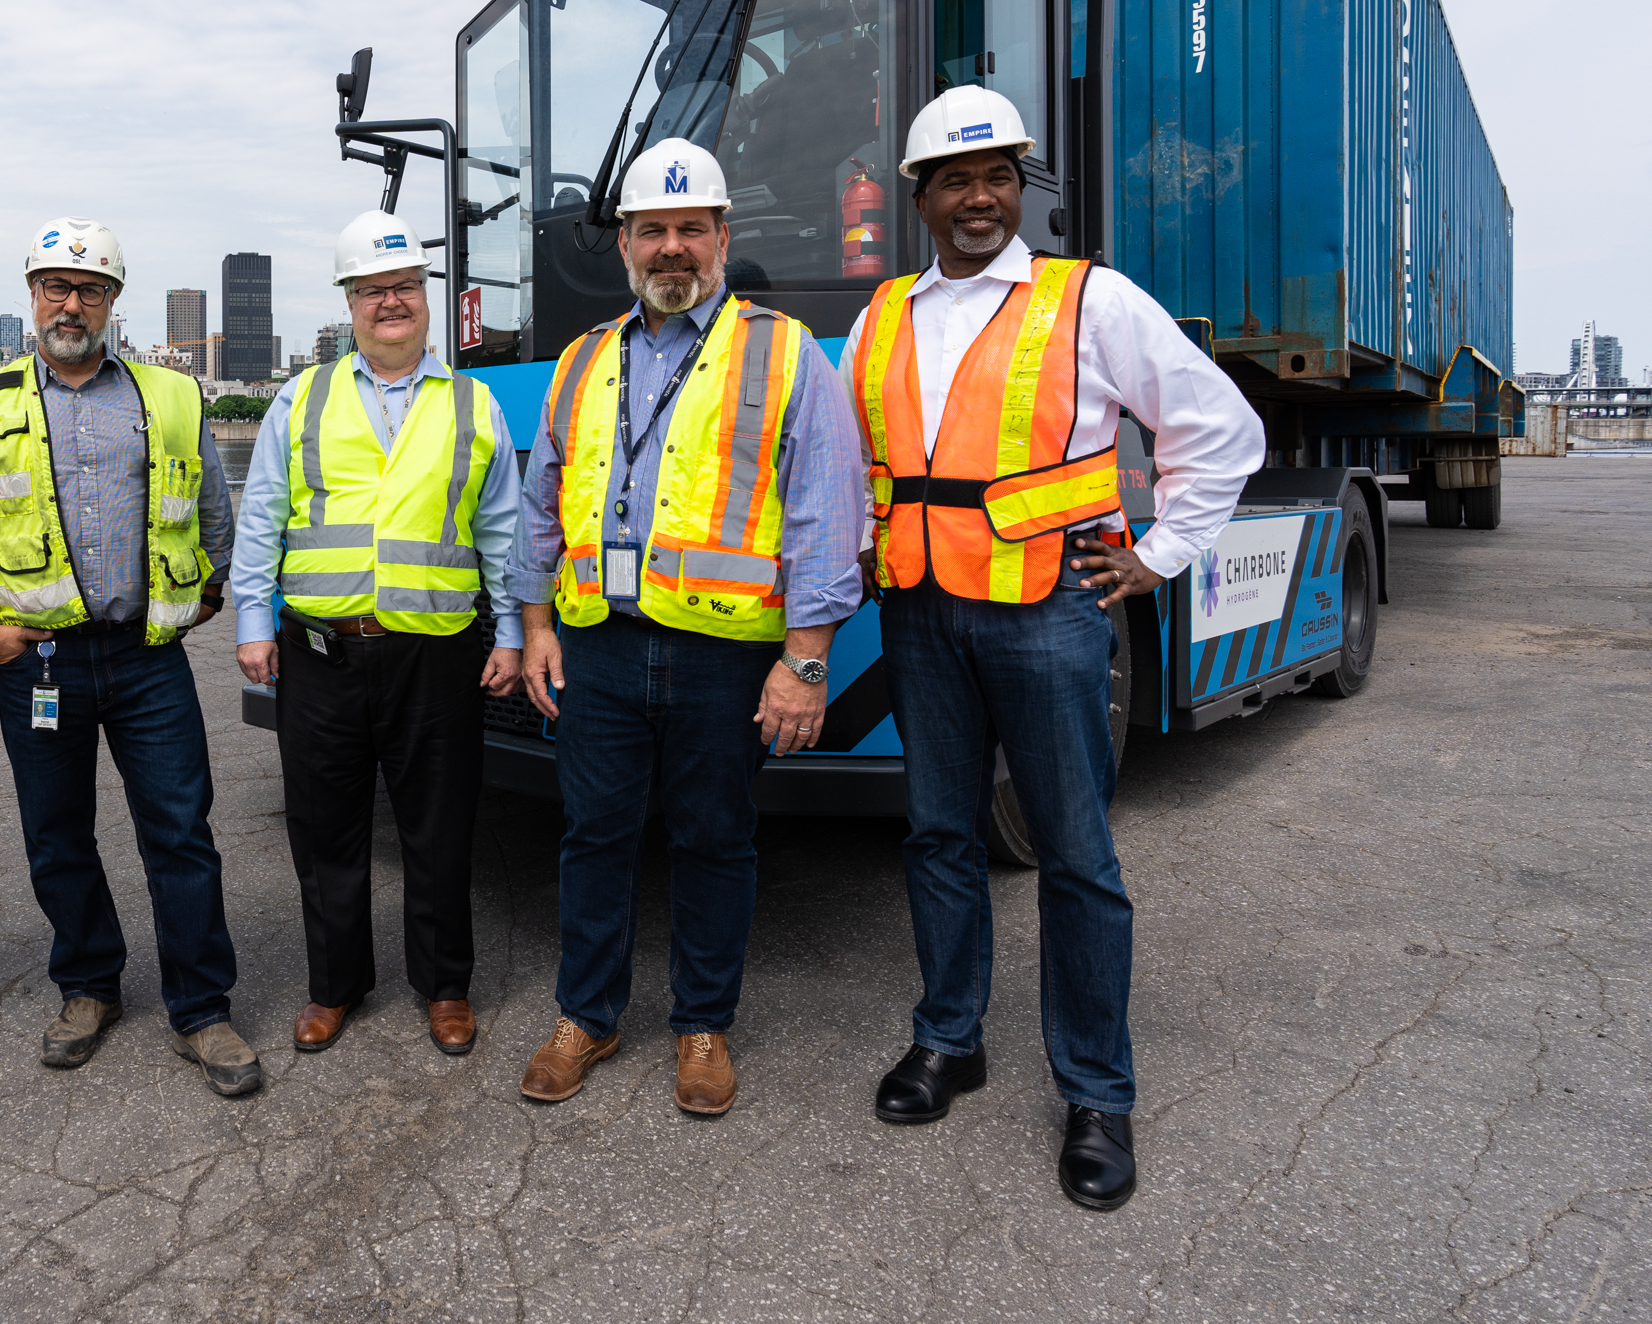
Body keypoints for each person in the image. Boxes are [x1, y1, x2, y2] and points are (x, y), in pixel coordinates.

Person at [845, 86, 1264, 1212]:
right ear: (921, 198)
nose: (980, 198)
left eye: (999, 177)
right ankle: (950, 1039)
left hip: (1047, 612)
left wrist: (1159, 556)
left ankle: (1095, 1091)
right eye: (956, 180)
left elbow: (1221, 429)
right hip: (920, 612)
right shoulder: (881, 316)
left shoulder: (1091, 299)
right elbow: (850, 461)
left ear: (1019, 189)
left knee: (1076, 855)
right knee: (938, 835)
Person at [512, 138, 867, 1117]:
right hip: (599, 644)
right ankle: (586, 1015)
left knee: (715, 838)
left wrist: (806, 662)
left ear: (721, 236)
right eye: (652, 230)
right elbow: (542, 505)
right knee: (593, 835)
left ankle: (703, 1025)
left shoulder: (784, 351)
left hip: (724, 655)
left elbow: (826, 511)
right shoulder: (584, 359)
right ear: (626, 242)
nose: (672, 247)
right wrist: (535, 625)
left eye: (690, 229)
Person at [0, 217, 260, 1096]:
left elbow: (214, 514)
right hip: (39, 660)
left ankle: (201, 1009)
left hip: (147, 658)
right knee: (57, 834)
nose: (72, 303)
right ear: (33, 295)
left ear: (113, 301)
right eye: (56, 287)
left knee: (181, 833)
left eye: (91, 289)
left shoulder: (169, 395)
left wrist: (204, 593)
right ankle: (88, 985)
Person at [230, 211, 524, 1058]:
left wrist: (510, 630)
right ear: (349, 302)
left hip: (437, 652)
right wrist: (253, 621)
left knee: (440, 825)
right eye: (371, 290)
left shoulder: (472, 403)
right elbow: (263, 517)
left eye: (402, 286)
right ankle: (334, 986)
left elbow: (502, 530)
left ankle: (445, 985)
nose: (389, 302)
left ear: (424, 295)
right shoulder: (303, 397)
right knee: (325, 828)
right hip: (320, 650)